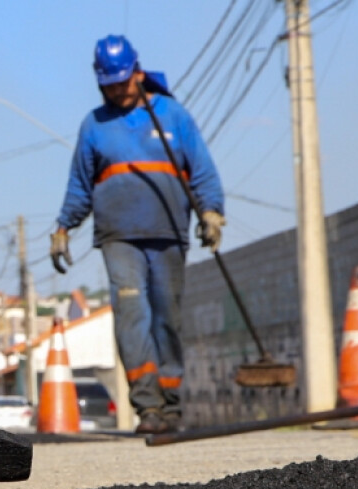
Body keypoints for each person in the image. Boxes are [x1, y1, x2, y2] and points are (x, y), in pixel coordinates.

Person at [50, 35, 226, 435]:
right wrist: (63, 227)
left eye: (122, 81)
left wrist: (212, 211)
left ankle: (171, 404)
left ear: (138, 73)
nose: (116, 89)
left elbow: (201, 168)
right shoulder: (94, 126)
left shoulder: (172, 115)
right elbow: (80, 185)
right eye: (108, 83)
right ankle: (147, 406)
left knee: (167, 317)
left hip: (168, 233)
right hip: (119, 237)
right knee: (132, 316)